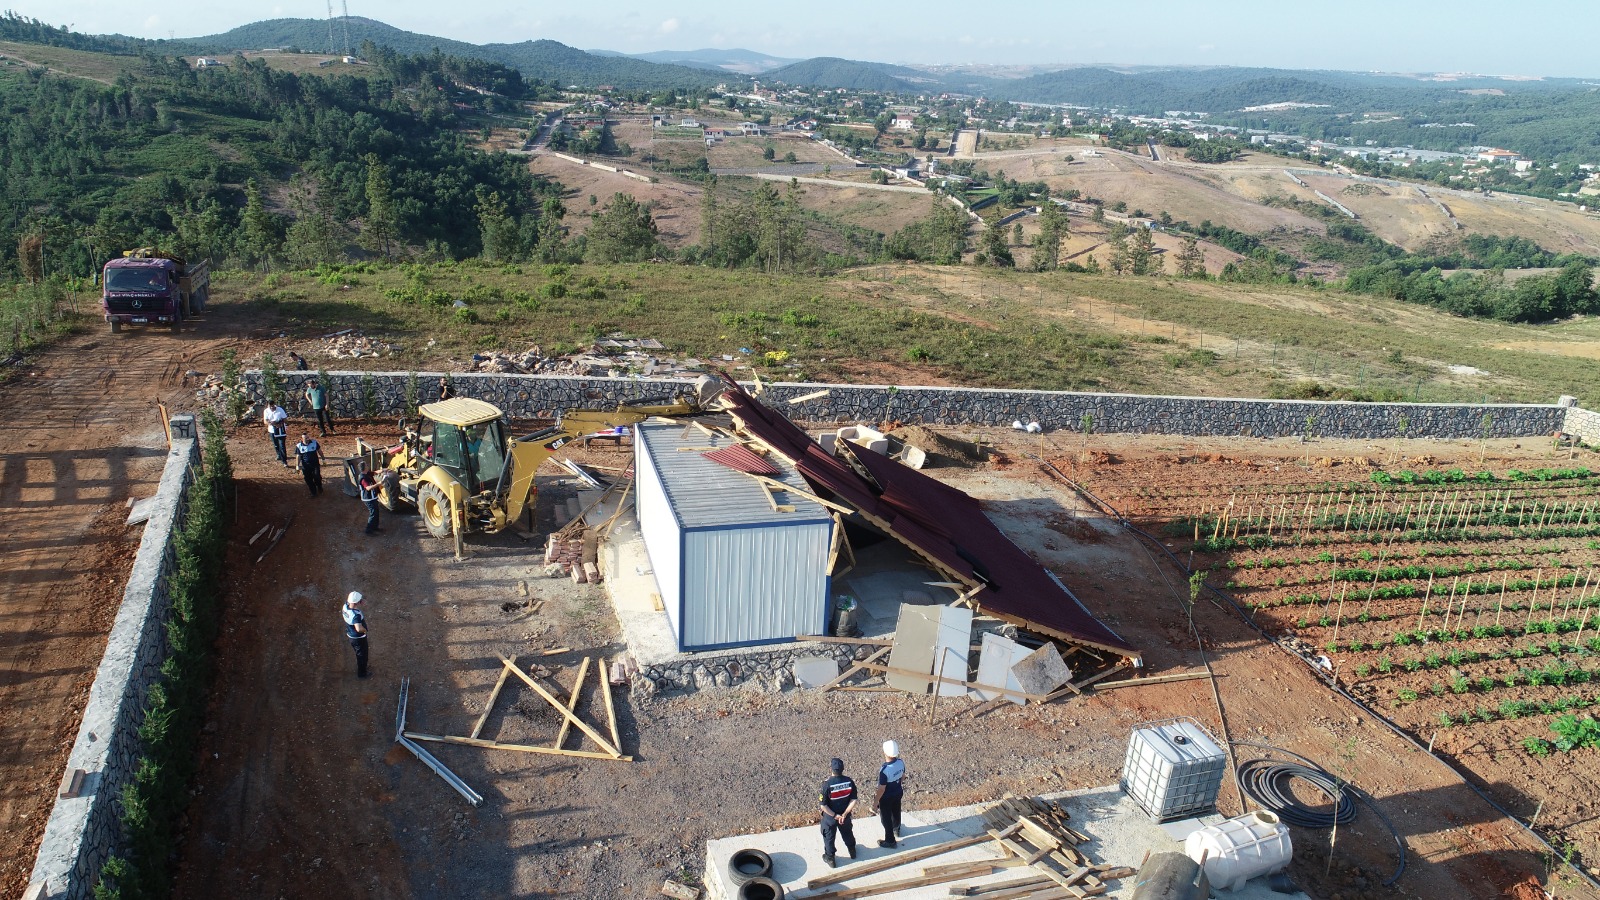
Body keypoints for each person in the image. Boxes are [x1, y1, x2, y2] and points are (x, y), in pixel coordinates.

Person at [818, 757, 859, 868]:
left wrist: (835, 815)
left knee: (829, 837)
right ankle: (852, 850)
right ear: (842, 769)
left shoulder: (826, 785)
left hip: (830, 818)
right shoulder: (849, 781)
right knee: (847, 833)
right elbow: (853, 799)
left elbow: (823, 806)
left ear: (831, 769)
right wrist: (844, 814)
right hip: (844, 817)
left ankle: (830, 858)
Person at [875, 740, 906, 848]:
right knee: (896, 810)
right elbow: (903, 776)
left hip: (886, 798)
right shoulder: (901, 762)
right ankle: (896, 828)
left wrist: (875, 802)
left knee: (886, 818)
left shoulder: (884, 770)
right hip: (898, 792)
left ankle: (890, 840)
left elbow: (882, 788)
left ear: (885, 753)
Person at [342, 591, 369, 678]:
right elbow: (358, 628)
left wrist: (359, 601)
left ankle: (362, 668)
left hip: (351, 634)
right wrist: (365, 630)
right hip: (358, 638)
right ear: (356, 602)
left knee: (359, 652)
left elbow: (351, 602)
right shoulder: (355, 615)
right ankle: (362, 674)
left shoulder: (345, 606)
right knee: (362, 655)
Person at [295, 432, 324, 497]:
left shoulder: (314, 443)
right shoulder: (299, 446)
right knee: (308, 479)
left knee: (317, 477)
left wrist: (323, 459)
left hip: (315, 464)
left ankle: (319, 486)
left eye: (308, 437)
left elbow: (319, 451)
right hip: (306, 466)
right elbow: (298, 456)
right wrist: (297, 466)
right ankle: (313, 492)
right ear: (302, 439)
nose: (308, 439)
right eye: (306, 438)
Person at [263, 401, 289, 467]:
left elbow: (285, 419)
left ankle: (284, 461)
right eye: (270, 406)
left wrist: (280, 423)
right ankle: (279, 454)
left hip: (280, 430)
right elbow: (265, 421)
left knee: (282, 445)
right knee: (276, 444)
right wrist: (271, 423)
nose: (272, 407)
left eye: (273, 406)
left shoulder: (280, 410)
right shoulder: (266, 411)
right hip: (272, 430)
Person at [359, 469, 383, 534]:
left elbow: (375, 472)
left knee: (376, 512)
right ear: (364, 468)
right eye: (366, 465)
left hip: (372, 497)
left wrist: (384, 470)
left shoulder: (367, 474)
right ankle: (368, 530)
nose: (367, 466)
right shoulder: (363, 478)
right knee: (373, 513)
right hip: (368, 499)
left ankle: (375, 527)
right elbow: (368, 488)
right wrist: (378, 484)